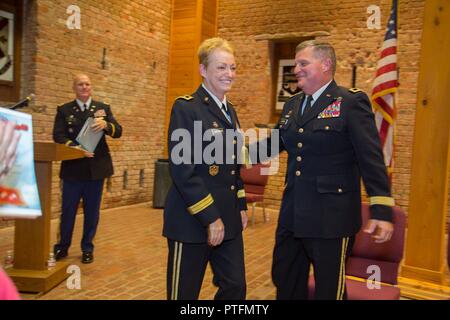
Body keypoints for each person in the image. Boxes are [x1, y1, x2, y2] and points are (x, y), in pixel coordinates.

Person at [260, 40, 394, 300]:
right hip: (292, 217)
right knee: (285, 281)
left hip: (331, 219)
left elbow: (371, 158)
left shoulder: (349, 102)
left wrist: (382, 209)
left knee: (328, 291)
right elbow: (272, 145)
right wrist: (227, 153)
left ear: (325, 64)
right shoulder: (292, 105)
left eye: (303, 63)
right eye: (296, 63)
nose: (296, 69)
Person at [163, 37, 248, 300]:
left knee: (235, 288)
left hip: (229, 218)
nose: (229, 74)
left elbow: (233, 164)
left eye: (232, 68)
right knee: (183, 295)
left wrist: (241, 204)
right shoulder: (186, 107)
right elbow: (182, 169)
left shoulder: (230, 110)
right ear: (203, 70)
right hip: (193, 219)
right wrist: (210, 217)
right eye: (221, 67)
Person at [53, 74, 122, 264]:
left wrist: (106, 125)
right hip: (73, 169)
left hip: (96, 170)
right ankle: (62, 246)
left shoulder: (102, 109)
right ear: (74, 87)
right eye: (80, 84)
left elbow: (118, 131)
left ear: (91, 87)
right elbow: (57, 135)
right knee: (68, 211)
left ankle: (87, 248)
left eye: (87, 84)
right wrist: (76, 148)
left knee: (92, 212)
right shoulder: (65, 110)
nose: (84, 87)